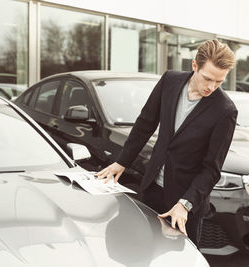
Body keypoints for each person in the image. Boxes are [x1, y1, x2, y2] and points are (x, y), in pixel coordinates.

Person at [95, 39, 237, 246]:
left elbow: (211, 170)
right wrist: (122, 162)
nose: (211, 87)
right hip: (151, 187)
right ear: (194, 65)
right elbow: (145, 123)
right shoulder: (170, 80)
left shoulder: (225, 111)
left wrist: (185, 204)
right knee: (140, 250)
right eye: (207, 79)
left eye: (219, 82)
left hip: (183, 204)